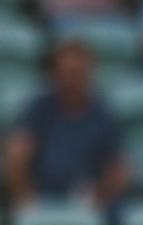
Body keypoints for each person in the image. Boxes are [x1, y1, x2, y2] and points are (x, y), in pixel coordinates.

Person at [6, 39, 127, 210]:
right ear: (55, 74)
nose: (72, 80)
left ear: (89, 73)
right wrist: (26, 198)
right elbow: (17, 154)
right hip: (42, 196)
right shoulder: (39, 109)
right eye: (68, 72)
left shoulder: (103, 114)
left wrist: (100, 196)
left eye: (78, 73)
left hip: (88, 199)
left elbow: (119, 168)